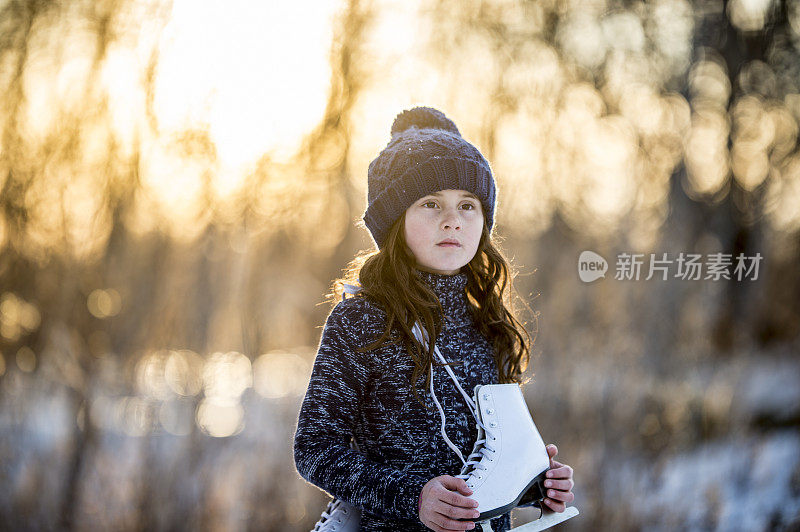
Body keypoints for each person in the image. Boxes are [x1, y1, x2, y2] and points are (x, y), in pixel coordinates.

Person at [293, 107, 575, 532]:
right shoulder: (361, 321)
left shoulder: (489, 325)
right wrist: (414, 497)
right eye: (430, 203)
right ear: (394, 221)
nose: (453, 220)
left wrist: (535, 483)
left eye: (468, 205)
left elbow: (491, 458)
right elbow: (315, 449)